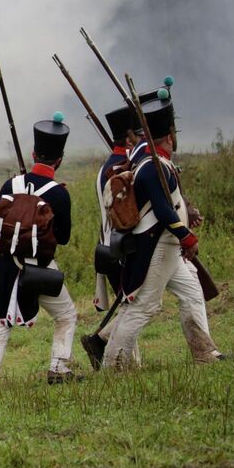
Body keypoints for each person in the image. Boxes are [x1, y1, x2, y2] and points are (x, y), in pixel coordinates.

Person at [104, 91, 226, 368]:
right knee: (143, 306)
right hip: (160, 242)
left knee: (192, 292)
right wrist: (187, 236)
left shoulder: (152, 162)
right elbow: (162, 210)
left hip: (166, 243)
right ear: (170, 135)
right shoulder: (153, 166)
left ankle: (204, 352)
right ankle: (113, 366)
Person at [0, 113, 78, 388]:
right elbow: (63, 238)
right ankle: (59, 369)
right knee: (66, 315)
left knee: (1, 323)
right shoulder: (59, 194)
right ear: (60, 159)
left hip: (7, 268)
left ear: (33, 153)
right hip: (41, 270)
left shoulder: (11, 185)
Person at [82, 104, 140, 370]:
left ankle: (131, 361)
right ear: (129, 137)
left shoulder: (111, 164)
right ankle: (103, 344)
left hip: (109, 246)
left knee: (131, 303)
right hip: (121, 247)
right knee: (136, 305)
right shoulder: (121, 169)